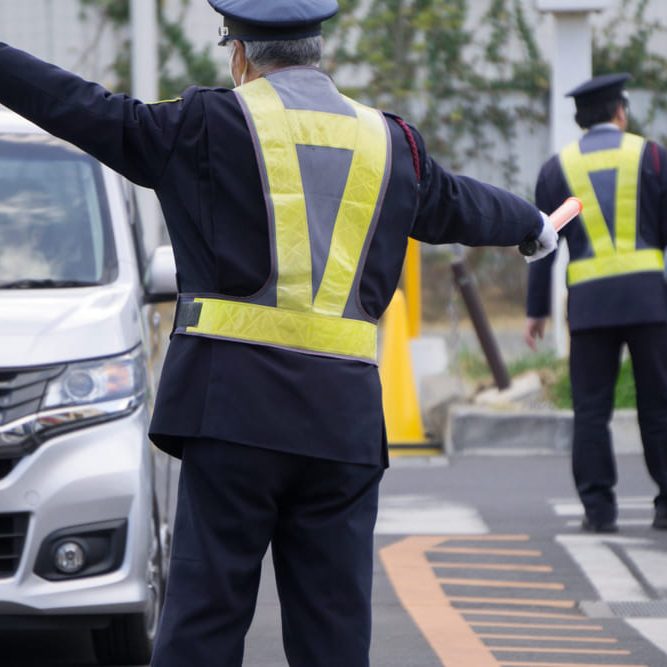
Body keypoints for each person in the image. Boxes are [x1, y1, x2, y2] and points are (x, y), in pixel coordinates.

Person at [0, 1, 557, 665]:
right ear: (318, 51)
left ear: (239, 54)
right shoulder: (390, 143)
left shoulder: (204, 124)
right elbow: (460, 202)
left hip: (230, 415)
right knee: (333, 638)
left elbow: (82, 107)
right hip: (342, 427)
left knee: (204, 626)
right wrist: (532, 225)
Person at [524, 73, 667, 535]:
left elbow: (542, 242)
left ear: (581, 120)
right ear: (620, 112)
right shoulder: (653, 157)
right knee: (659, 405)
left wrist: (536, 311)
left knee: (590, 411)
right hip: (649, 304)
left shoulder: (557, 169)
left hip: (589, 308)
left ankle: (599, 511)